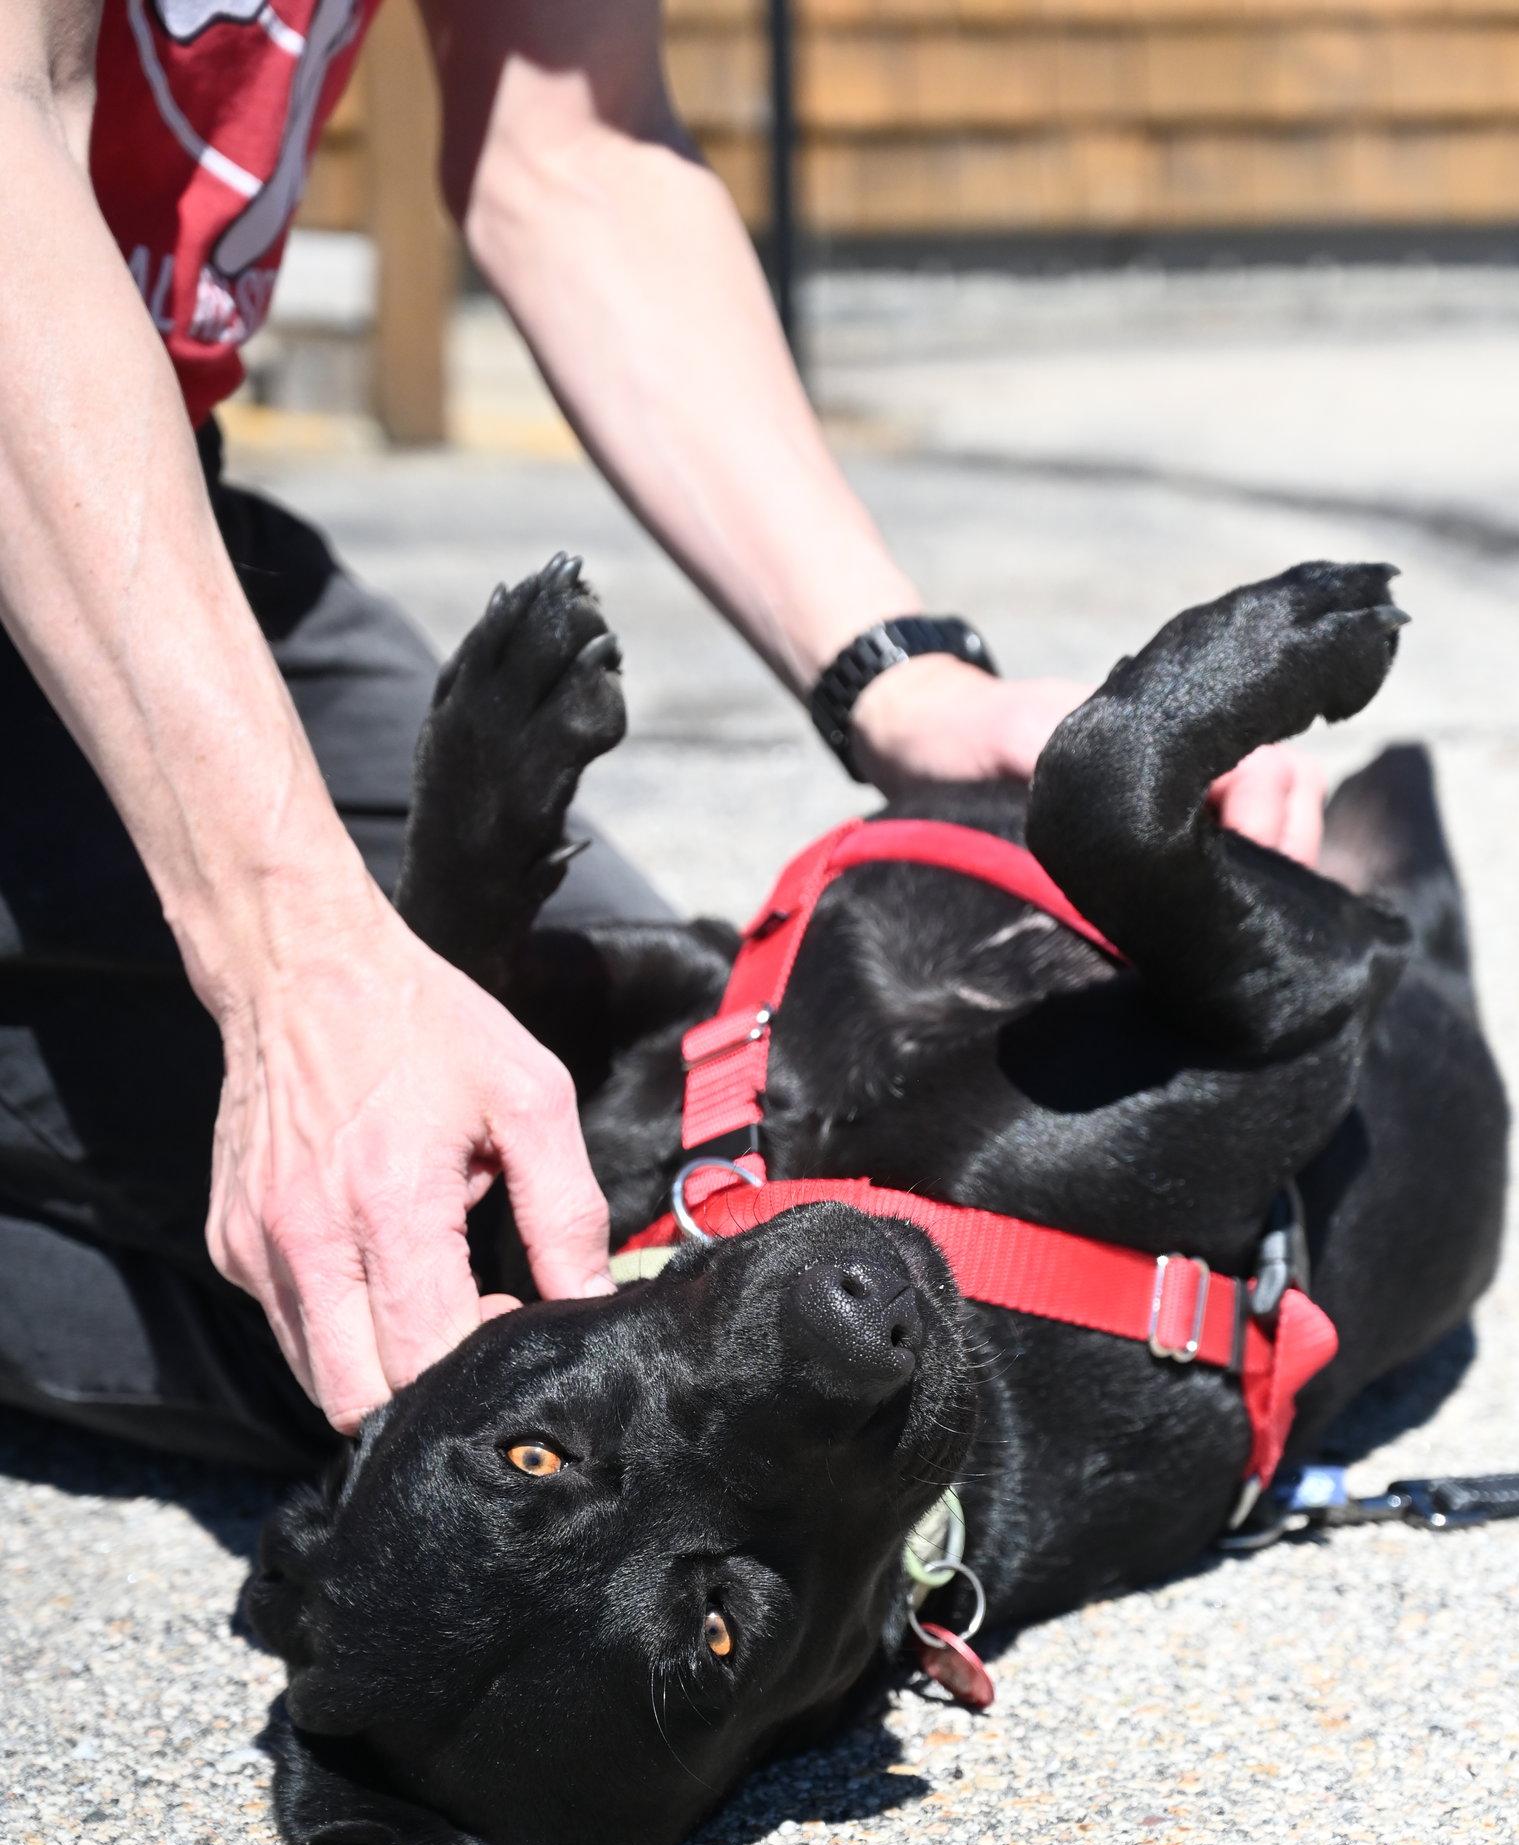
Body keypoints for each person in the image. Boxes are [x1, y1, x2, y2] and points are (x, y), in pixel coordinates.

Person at [0, 0, 1323, 1472]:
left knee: (610, 1152)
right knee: (375, 1318)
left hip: (134, 495)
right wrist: (287, 960)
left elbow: (572, 143)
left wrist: (903, 677)